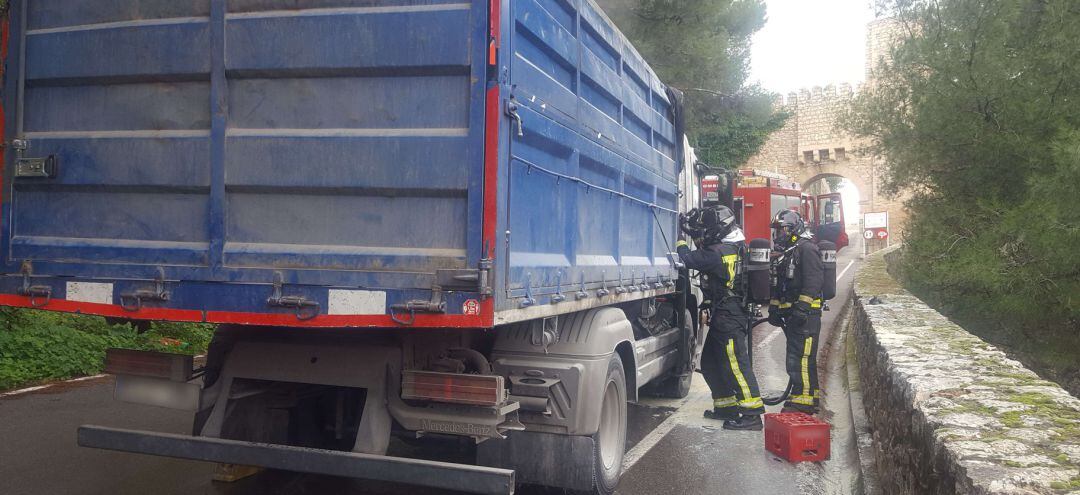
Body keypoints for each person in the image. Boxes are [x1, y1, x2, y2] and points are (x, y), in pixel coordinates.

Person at [676, 206, 765, 430]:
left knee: (736, 365)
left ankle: (752, 414)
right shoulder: (734, 246)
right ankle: (726, 406)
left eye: (707, 229)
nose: (705, 233)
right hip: (725, 313)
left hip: (729, 316)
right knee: (711, 363)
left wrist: (679, 238)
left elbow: (687, 259)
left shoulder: (717, 253)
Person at [767, 210, 824, 415]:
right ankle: (801, 395)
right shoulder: (789, 252)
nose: (778, 234)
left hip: (806, 318)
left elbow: (814, 282)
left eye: (781, 230)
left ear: (792, 229)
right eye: (777, 230)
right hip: (793, 317)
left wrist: (802, 308)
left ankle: (804, 402)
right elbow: (780, 285)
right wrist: (774, 307)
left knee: (802, 358)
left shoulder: (807, 249)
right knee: (795, 358)